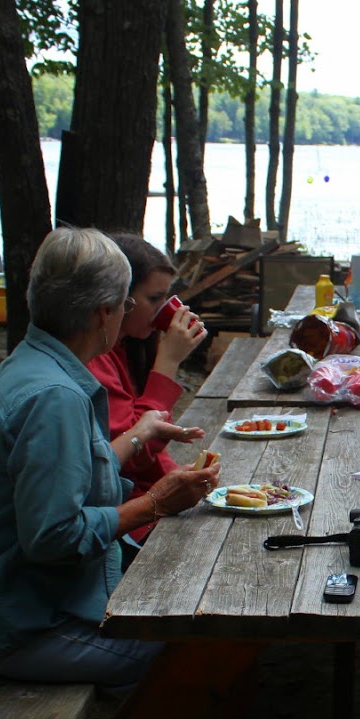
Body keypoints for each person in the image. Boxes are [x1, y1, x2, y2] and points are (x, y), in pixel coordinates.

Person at [0, 228, 220, 695]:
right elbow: (55, 536)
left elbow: (74, 474)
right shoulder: (54, 397)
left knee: (193, 594)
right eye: (126, 304)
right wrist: (155, 503)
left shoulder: (33, 363)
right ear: (104, 312)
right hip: (34, 626)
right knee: (193, 645)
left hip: (43, 602)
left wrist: (138, 435)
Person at [87, 233, 209, 563]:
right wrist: (168, 362)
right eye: (155, 299)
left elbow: (149, 453)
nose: (165, 310)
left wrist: (180, 477)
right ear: (118, 300)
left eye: (168, 297)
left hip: (137, 502)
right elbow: (132, 454)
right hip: (123, 517)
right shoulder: (96, 359)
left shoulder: (127, 346)